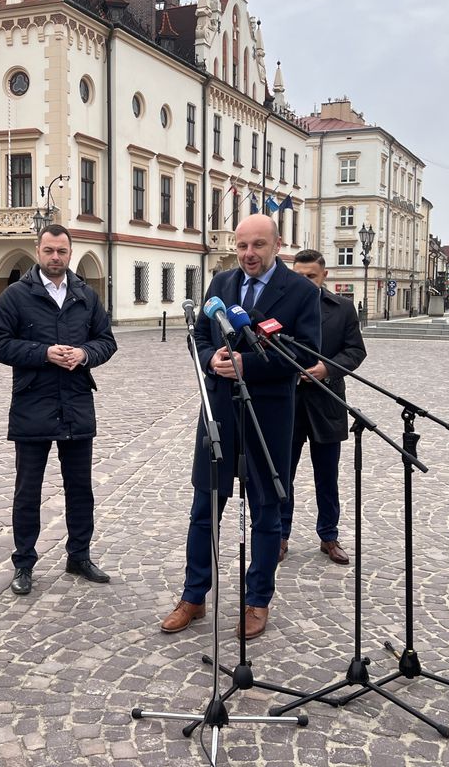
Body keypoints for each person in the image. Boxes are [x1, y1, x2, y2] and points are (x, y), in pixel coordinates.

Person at [161, 214, 320, 639]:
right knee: (204, 510)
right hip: (218, 412)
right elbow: (198, 334)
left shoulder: (301, 291)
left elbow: (306, 354)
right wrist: (212, 356)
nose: (249, 254)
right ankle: (194, 596)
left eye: (258, 245)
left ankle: (256, 601)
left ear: (277, 244)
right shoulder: (221, 284)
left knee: (267, 511)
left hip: (268, 414)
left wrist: (246, 364)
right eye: (242, 245)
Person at [0, 223, 118, 596]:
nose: (55, 257)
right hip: (33, 403)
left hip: (76, 402)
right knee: (28, 490)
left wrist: (85, 354)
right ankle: (24, 563)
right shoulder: (16, 295)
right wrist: (42, 353)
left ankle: (79, 555)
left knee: (81, 488)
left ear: (70, 252)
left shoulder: (85, 295)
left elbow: (106, 341)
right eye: (49, 251)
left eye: (61, 251)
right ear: (38, 251)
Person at [280, 249, 367, 566]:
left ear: (324, 275)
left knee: (327, 477)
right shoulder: (281, 308)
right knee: (281, 476)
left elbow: (355, 351)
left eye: (311, 277)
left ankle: (329, 535)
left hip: (327, 402)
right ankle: (279, 535)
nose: (303, 282)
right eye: (298, 276)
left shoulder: (342, 309)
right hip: (287, 403)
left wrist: (327, 369)